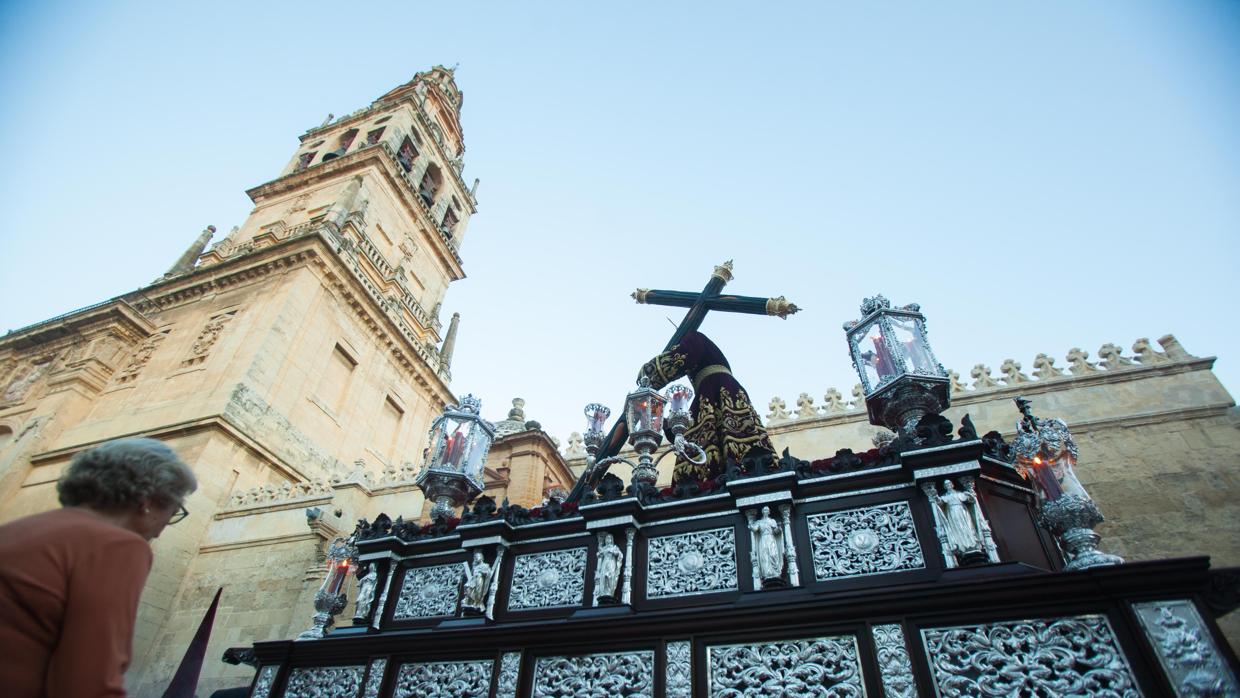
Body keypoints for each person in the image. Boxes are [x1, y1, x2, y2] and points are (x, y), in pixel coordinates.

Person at [0, 437, 197, 698]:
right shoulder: (116, 545)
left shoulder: (16, 531)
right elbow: (88, 683)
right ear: (147, 501)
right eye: (172, 513)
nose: (160, 532)